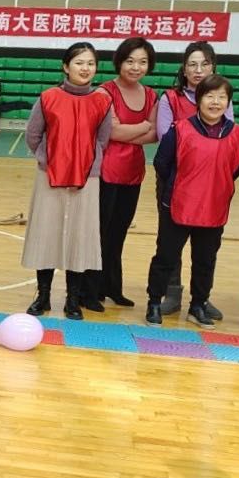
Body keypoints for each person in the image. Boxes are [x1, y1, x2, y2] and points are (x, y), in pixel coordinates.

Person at [146, 75, 239, 329]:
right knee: (166, 257)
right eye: (209, 96)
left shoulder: (238, 134)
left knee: (205, 261)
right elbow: (162, 163)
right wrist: (181, 186)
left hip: (214, 207)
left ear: (228, 102)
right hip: (178, 206)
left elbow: (235, 168)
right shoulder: (180, 129)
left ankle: (198, 305)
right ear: (199, 99)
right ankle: (154, 302)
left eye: (222, 97)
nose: (215, 102)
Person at [21, 42, 113, 320]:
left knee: (79, 237)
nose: (85, 68)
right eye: (79, 63)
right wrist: (48, 160)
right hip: (49, 177)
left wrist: (88, 165)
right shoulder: (48, 97)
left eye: (90, 63)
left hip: (86, 180)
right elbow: (33, 135)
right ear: (65, 66)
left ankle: (72, 300)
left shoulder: (102, 101)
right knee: (46, 234)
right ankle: (43, 296)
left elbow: (103, 139)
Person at [154, 42, 232, 321]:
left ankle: (201, 299)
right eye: (192, 64)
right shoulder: (170, 99)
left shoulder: (222, 97)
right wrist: (182, 177)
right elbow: (165, 142)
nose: (199, 70)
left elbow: (229, 144)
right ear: (184, 69)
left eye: (205, 64)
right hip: (175, 183)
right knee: (170, 243)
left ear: (213, 67)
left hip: (211, 186)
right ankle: (171, 293)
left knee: (206, 248)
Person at [94, 37, 158, 308]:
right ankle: (91, 290)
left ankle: (112, 287)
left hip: (133, 173)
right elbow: (111, 131)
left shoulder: (152, 95)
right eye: (130, 61)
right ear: (119, 61)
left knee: (119, 232)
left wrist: (128, 131)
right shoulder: (105, 92)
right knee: (99, 232)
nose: (136, 67)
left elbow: (155, 134)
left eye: (142, 62)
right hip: (106, 172)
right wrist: (143, 125)